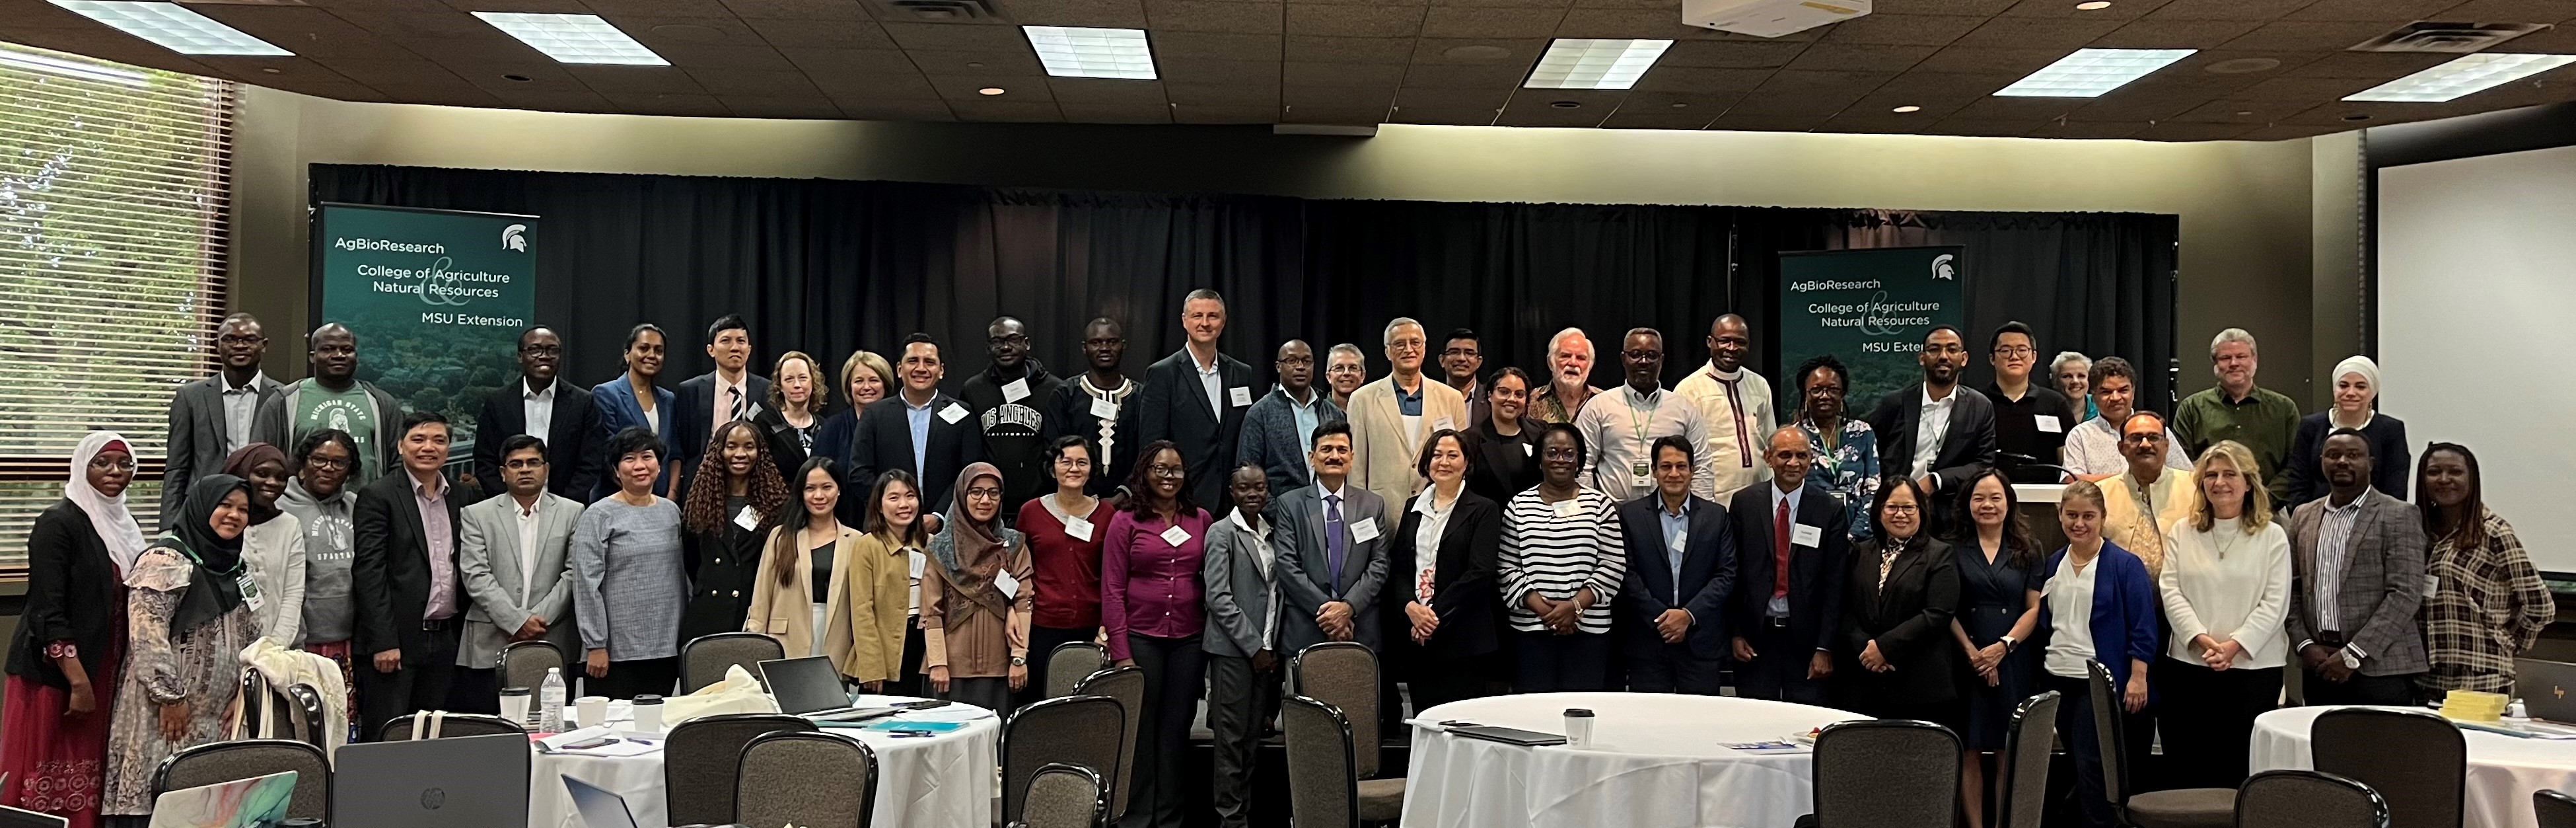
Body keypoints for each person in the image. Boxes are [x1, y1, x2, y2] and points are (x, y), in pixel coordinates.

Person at [2, 432, 145, 828]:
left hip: (105, 669)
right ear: (83, 467)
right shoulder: (58, 523)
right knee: (47, 775)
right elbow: (46, 610)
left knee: (90, 773)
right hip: (57, 675)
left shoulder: (126, 526)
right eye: (103, 463)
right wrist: (78, 681)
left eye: (125, 464)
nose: (115, 472)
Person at [98, 476, 260, 824]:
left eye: (243, 509)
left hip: (217, 719)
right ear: (202, 507)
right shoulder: (164, 560)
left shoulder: (238, 567)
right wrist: (170, 697)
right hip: (164, 716)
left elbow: (253, 635)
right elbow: (147, 634)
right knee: (159, 806)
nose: (234, 515)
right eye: (225, 505)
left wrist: (243, 693)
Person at [2156, 440, 2291, 791]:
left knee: (2240, 769)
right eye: (2211, 475)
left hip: (2253, 671)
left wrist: (2234, 646)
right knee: (2191, 766)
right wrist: (2201, 640)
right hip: (2190, 667)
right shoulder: (2183, 532)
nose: (2219, 482)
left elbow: (2275, 602)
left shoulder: (2272, 536)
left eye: (2230, 474)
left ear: (2248, 483)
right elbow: (2171, 590)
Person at [1100, 441, 1212, 828]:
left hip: (1189, 639)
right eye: (1160, 469)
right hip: (1141, 638)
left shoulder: (1200, 519)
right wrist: (1122, 652)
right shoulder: (1125, 520)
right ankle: (1136, 818)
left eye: (1176, 469)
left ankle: (1169, 818)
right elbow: (1112, 589)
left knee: (1177, 730)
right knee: (1140, 729)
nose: (1169, 476)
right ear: (1144, 473)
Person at [2042, 479, 2159, 828]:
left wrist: (2139, 676)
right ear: (2060, 515)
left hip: (2096, 682)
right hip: (2056, 678)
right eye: (2071, 515)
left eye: (2088, 516)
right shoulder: (2052, 564)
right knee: (2078, 763)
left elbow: (2143, 625)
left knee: (2093, 765)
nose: (2079, 523)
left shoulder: (2125, 565)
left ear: (2103, 517)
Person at [2286, 430, 2428, 705]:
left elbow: (2405, 594)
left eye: (2353, 455)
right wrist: (2305, 644)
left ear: (2370, 464)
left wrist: (2353, 653)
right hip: (2319, 665)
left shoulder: (2399, 514)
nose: (2342, 461)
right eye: (2333, 455)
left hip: (2379, 668)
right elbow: (2291, 587)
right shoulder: (2303, 515)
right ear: (2321, 461)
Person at [351, 412, 466, 735]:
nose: (429, 447)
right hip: (397, 642)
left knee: (435, 738)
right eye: (419, 439)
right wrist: (384, 642)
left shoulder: (461, 495)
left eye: (439, 440)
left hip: (446, 639)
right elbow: (369, 572)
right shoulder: (379, 495)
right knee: (388, 737)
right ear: (401, 446)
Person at [2415, 443, 2556, 697]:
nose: (2444, 479)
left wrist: (2508, 643)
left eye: (2455, 472)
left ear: (2472, 479)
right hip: (2425, 675)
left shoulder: (2494, 532)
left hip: (2482, 676)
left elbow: (2541, 606)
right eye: (2434, 472)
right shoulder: (2416, 530)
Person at [1947, 469, 2045, 828]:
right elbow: (1946, 609)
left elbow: (2033, 608)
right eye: (1979, 498)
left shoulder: (2029, 548)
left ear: (2009, 503)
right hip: (1965, 658)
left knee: (2008, 747)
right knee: (1969, 748)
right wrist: (1974, 654)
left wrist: (2002, 648)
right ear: (1968, 503)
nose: (1987, 505)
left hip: (2013, 657)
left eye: (1995, 497)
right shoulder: (1950, 547)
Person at [1729, 426, 1853, 704]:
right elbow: (1733, 574)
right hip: (1755, 637)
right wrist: (1736, 633)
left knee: (1805, 720)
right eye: (1785, 455)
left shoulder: (1829, 509)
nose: (1793, 463)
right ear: (1768, 458)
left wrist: (1825, 647)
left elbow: (1835, 584)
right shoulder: (1744, 503)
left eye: (1801, 456)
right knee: (1755, 719)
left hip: (1807, 640)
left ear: (1811, 459)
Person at [456, 435, 585, 695]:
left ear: (546, 469)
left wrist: (536, 622)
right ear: (503, 473)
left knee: (551, 718)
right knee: (491, 719)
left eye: (533, 463)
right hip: (491, 642)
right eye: (516, 464)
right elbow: (476, 575)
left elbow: (573, 574)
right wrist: (516, 622)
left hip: (552, 637)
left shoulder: (573, 512)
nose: (525, 469)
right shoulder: (476, 514)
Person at [1499, 423, 1622, 692]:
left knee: (1582, 709)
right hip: (1531, 630)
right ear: (1540, 459)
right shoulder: (1519, 506)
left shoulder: (1601, 505)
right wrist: (1548, 613)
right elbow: (1507, 567)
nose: (1560, 460)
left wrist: (1574, 607)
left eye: (1569, 453)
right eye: (1552, 452)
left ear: (1579, 461)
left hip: (1588, 630)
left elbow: (1613, 565)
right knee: (1534, 711)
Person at [1388, 430, 1506, 711]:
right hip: (1417, 634)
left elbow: (1480, 572)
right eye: (1437, 455)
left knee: (1461, 722)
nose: (1444, 462)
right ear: (1427, 463)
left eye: (1453, 455)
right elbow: (1400, 567)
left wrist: (1432, 617)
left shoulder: (1484, 509)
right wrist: (1411, 609)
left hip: (1462, 636)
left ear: (1467, 463)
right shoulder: (1413, 507)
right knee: (1424, 720)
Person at [571, 427, 690, 700]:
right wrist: (595, 644)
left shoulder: (671, 511)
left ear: (659, 466)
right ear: (616, 470)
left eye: (647, 457)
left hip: (667, 645)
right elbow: (586, 584)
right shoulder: (599, 514)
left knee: (657, 720)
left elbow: (682, 575)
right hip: (616, 651)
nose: (639, 466)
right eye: (629, 459)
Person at [1835, 476, 1961, 722]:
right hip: (1865, 680)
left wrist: (1884, 648)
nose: (1900, 514)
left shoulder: (1940, 554)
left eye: (1908, 507)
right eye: (1892, 507)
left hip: (1919, 684)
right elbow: (1846, 608)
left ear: (1921, 510)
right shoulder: (1861, 552)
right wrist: (1867, 649)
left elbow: (1938, 614)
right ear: (1879, 510)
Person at [1617, 435, 1735, 695]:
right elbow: (1626, 573)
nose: (1674, 473)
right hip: (1648, 641)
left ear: (1692, 470)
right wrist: (1663, 619)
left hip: (1700, 641)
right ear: (1654, 471)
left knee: (1700, 718)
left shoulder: (1716, 516)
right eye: (1666, 466)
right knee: (1649, 718)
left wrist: (1688, 615)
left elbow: (1726, 574)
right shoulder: (1629, 515)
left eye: (1681, 466)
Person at [919, 463, 1034, 714]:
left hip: (1000, 668)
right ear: (962, 495)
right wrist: (938, 663)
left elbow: (1023, 601)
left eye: (993, 493)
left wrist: (1018, 658)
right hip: (949, 670)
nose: (985, 500)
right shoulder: (941, 549)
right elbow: (931, 611)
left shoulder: (1013, 545)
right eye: (976, 492)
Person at [1202, 465, 1281, 828]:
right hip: (1235, 652)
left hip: (1267, 650)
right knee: (1230, 741)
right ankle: (1230, 818)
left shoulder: (1271, 531)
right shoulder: (1221, 533)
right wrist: (1253, 646)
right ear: (1232, 492)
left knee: (1251, 738)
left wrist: (1268, 646)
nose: (1253, 494)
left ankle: (1242, 812)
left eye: (1259, 487)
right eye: (1244, 488)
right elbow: (1218, 598)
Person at [1271, 422, 1392, 654]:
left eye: (1342, 450)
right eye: (1326, 449)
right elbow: (1287, 566)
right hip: (1307, 626)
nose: (1335, 456)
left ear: (1352, 457)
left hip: (1359, 627)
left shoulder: (1372, 505)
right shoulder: (1290, 504)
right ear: (1312, 457)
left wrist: (1348, 608)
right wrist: (1331, 615)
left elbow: (1379, 564)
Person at [1015, 436, 1113, 708]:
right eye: (1065, 462)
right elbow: (1020, 570)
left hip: (1091, 629)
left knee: (1085, 709)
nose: (1074, 468)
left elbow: (1112, 576)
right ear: (1052, 468)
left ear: (1091, 469)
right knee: (1040, 707)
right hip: (1042, 627)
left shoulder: (1107, 514)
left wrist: (1106, 629)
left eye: (1082, 462)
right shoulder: (1031, 512)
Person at [1864, 325, 1998, 520]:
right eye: (1935, 349)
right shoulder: (1894, 404)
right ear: (1922, 358)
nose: (1943, 356)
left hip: (1953, 513)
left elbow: (1983, 464)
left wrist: (1936, 480)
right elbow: (1872, 453)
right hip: (1898, 512)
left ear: (1964, 359)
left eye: (1952, 349)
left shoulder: (1980, 407)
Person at [1139, 289, 1256, 511]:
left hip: (1234, 498)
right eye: (1197, 316)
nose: (1205, 323)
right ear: (1185, 321)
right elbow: (1151, 446)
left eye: (1213, 316)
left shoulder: (1242, 373)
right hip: (1184, 496)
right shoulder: (1163, 374)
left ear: (1223, 322)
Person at [744, 458, 864, 670]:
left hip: (836, 640)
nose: (819, 496)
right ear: (801, 492)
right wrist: (755, 640)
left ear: (839, 490)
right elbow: (762, 596)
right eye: (810, 488)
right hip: (786, 640)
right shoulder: (781, 537)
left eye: (827, 487)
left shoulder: (856, 540)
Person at [678, 420, 790, 645]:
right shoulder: (700, 502)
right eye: (732, 446)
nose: (740, 454)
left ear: (760, 453)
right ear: (719, 451)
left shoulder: (777, 505)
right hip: (708, 615)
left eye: (749, 446)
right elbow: (692, 560)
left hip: (753, 613)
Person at [252, 323, 405, 488]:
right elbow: (260, 458)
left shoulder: (382, 403)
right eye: (328, 349)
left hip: (365, 501)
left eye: (347, 350)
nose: (339, 355)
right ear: (312, 356)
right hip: (300, 502)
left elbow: (400, 462)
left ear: (356, 356)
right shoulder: (284, 401)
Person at [164, 312, 279, 527]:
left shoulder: (282, 396)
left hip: (264, 511)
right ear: (217, 345)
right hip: (204, 509)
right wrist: (168, 527)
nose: (239, 346)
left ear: (264, 345)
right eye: (230, 339)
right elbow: (177, 467)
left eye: (249, 340)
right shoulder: (190, 397)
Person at [1577, 327, 1715, 504]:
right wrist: (1591, 510)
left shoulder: (1683, 408)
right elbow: (1583, 466)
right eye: (1635, 354)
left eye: (1652, 355)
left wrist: (1701, 513)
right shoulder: (1598, 407)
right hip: (1614, 513)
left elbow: (1701, 466)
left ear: (1661, 360)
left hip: (1669, 512)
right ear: (1623, 359)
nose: (1644, 361)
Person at [851, 334, 986, 511]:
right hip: (887, 522)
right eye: (913, 361)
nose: (921, 368)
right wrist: (895, 508)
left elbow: (969, 473)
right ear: (899, 369)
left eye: (929, 362)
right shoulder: (874, 415)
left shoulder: (963, 414)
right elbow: (859, 473)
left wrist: (939, 515)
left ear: (941, 370)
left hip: (947, 523)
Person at [1349, 318, 1470, 510]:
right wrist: (1359, 513)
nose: (1408, 349)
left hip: (1439, 509)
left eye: (1415, 342)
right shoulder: (1362, 399)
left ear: (1424, 348)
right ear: (1387, 352)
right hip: (1384, 509)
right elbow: (1356, 468)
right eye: (1399, 344)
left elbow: (1461, 461)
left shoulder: (1452, 398)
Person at [472, 326, 602, 502]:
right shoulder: (498, 403)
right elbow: (485, 460)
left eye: (552, 350)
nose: (544, 356)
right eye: (535, 350)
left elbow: (591, 462)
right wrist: (508, 503)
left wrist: (563, 507)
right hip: (507, 506)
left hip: (566, 507)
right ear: (520, 356)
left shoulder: (583, 403)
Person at [2173, 328, 2300, 506]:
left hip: (2270, 508)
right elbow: (2182, 465)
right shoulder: (2192, 408)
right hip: (2207, 507)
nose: (2234, 363)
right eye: (2226, 358)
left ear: (2254, 360)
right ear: (2215, 364)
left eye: (2241, 357)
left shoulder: (2284, 408)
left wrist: (2263, 501)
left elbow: (2295, 465)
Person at [281, 430, 359, 701]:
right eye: (319, 459)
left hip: (351, 639)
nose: (328, 468)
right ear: (303, 464)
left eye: (339, 462)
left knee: (344, 717)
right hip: (301, 641)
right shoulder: (281, 507)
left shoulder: (357, 506)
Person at [963, 317, 1063, 517]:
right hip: (989, 504)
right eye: (997, 342)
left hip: (1042, 503)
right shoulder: (973, 390)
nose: (1006, 347)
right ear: (988, 348)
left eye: (1013, 340)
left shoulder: (1054, 389)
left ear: (1027, 343)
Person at [2285, 356, 2410, 506]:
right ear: (2334, 389)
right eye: (2343, 386)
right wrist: (2306, 515)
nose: (2351, 392)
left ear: (2373, 392)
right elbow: (2298, 480)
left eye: (2360, 387)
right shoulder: (2310, 426)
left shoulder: (2390, 430)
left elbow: (2396, 486)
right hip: (2317, 514)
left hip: (2375, 516)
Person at [1676, 314, 1776, 502]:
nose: (1732, 348)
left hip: (1760, 495)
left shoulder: (1759, 384)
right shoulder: (1689, 389)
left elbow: (1771, 440)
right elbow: (1681, 453)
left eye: (1740, 342)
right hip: (1713, 498)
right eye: (1724, 341)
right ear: (1710, 342)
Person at [1043, 318, 1145, 499]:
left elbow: (1148, 452)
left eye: (1112, 342)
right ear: (1085, 348)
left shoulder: (1141, 396)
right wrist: (1087, 498)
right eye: (1096, 343)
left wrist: (1123, 495)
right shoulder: (1065, 395)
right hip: (1075, 500)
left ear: (1123, 345)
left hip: (1131, 502)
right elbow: (1055, 451)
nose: (1104, 348)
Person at [847, 470, 930, 693]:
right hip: (885, 651)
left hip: (923, 646)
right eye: (894, 498)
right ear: (879, 506)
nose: (904, 504)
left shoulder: (929, 544)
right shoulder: (867, 546)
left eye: (910, 496)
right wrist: (872, 666)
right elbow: (862, 611)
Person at [673, 315, 773, 494]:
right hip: (702, 485)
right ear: (711, 350)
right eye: (726, 341)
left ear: (749, 349)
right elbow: (682, 444)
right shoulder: (690, 391)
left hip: (754, 486)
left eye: (741, 341)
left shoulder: (767, 390)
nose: (735, 347)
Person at [1238, 340, 1345, 498]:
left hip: (1328, 505)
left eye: (1306, 361)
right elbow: (1247, 473)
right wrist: (1275, 509)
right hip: (1280, 507)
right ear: (1278, 366)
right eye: (1292, 361)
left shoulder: (1332, 413)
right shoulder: (1260, 413)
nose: (1300, 367)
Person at [221, 444, 304, 646]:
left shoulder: (289, 525)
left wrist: (274, 648)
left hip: (275, 646)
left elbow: (293, 593)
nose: (272, 482)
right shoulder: (220, 522)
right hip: (221, 649)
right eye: (262, 474)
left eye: (281, 477)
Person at [1791, 355, 1878, 541]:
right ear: (1805, 394)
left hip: (1858, 534)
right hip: (1809, 534)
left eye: (1833, 390)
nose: (1825, 396)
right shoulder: (1794, 437)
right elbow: (1789, 491)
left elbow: (1873, 488)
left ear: (1843, 393)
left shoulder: (1862, 432)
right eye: (1817, 390)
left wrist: (1854, 535)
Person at [2098, 412, 2194, 578]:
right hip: (2119, 591)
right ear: (2121, 448)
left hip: (2183, 589)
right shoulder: (2101, 494)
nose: (2145, 444)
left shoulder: (2194, 487)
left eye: (2153, 437)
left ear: (2166, 446)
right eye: (2136, 438)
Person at [2061, 357, 2190, 480]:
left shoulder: (2157, 430)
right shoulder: (2080, 435)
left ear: (2133, 393)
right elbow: (2072, 480)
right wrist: (2130, 481)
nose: (2116, 398)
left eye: (2123, 391)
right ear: (2093, 396)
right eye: (2106, 392)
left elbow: (2187, 477)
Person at [591, 323, 679, 498]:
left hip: (661, 500)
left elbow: (675, 452)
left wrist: (672, 493)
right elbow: (607, 453)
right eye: (644, 348)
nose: (652, 355)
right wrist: (639, 496)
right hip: (618, 497)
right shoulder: (606, 394)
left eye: (658, 351)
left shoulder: (668, 399)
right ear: (627, 354)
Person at [1982, 322, 2076, 484]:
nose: (2014, 356)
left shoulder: (2055, 403)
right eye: (2005, 350)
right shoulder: (1978, 402)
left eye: (2022, 350)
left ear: (2034, 356)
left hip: (2045, 494)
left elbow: (2068, 460)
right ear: (1992, 358)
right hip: (1991, 493)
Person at [814, 350, 894, 492]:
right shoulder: (833, 427)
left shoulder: (899, 425)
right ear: (849, 387)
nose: (866, 387)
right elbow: (816, 478)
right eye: (859, 381)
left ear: (885, 385)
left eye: (874, 380)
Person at [1466, 367, 1543, 504]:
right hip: (1492, 516)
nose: (1512, 399)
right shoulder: (1470, 440)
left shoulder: (1541, 432)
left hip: (1534, 515)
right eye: (1504, 392)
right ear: (1490, 395)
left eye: (1519, 394)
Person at [752, 350, 828, 486]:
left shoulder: (825, 426)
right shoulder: (765, 423)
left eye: (803, 378)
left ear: (813, 382)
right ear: (779, 386)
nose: (797, 385)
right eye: (789, 379)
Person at [1530, 327, 1600, 424]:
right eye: (1565, 356)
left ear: (1590, 366)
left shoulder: (1603, 401)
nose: (1573, 363)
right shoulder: (1529, 400)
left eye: (1581, 358)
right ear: (1550, 363)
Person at [1440, 328, 1489, 428]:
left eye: (1469, 353)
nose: (1461, 359)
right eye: (1454, 352)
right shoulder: (1430, 398)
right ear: (1442, 360)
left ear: (1479, 362)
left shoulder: (1491, 400)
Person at [2053, 351, 2098, 424]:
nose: (2075, 381)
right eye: (2067, 376)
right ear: (2055, 381)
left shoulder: (2101, 407)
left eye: (2081, 376)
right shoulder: (2046, 408)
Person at [1323, 343, 1367, 413]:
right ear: (1329, 377)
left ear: (1362, 375)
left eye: (1353, 368)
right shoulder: (1317, 412)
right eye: (1339, 368)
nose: (1346, 373)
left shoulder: (1374, 411)